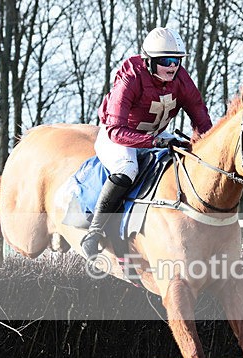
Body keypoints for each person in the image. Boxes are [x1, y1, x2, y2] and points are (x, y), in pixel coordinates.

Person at [81, 27, 214, 257]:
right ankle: (94, 232)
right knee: (128, 168)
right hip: (119, 136)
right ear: (149, 61)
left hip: (156, 134)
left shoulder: (181, 78)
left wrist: (207, 149)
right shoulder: (130, 76)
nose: (173, 66)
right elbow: (115, 130)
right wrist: (154, 142)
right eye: (166, 60)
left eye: (177, 60)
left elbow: (201, 119)